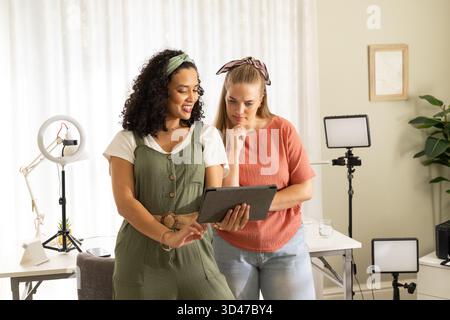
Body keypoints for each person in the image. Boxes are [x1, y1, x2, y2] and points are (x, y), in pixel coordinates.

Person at [103, 49, 246, 299]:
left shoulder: (206, 137)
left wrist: (224, 218)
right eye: (183, 90)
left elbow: (212, 198)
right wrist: (168, 236)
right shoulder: (127, 141)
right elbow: (125, 203)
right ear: (160, 92)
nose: (192, 97)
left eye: (196, 89)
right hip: (139, 262)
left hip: (195, 256)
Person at [213, 57, 316, 300]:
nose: (239, 111)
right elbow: (224, 201)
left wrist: (255, 205)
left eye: (248, 103)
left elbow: (304, 189)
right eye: (232, 101)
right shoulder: (214, 136)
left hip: (285, 245)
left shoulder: (284, 130)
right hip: (231, 249)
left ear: (261, 99)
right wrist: (233, 152)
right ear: (224, 97)